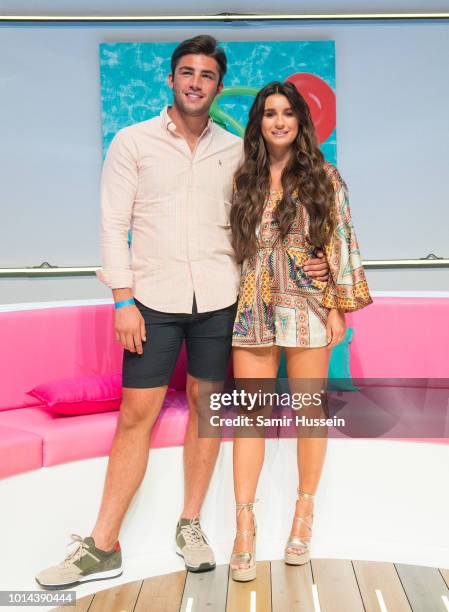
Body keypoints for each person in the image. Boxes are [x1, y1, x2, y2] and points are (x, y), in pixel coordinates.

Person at [35, 38, 329, 589]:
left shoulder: (238, 150)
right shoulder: (132, 142)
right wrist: (122, 299)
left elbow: (282, 211)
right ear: (170, 80)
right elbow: (111, 224)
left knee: (208, 409)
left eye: (208, 75)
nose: (196, 82)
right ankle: (102, 545)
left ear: (219, 87)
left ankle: (190, 524)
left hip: (223, 301)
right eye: (187, 72)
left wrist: (319, 264)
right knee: (134, 416)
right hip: (152, 303)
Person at [228, 81, 372, 581]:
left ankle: (302, 516)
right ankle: (243, 526)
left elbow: (342, 242)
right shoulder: (242, 178)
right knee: (249, 418)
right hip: (252, 307)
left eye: (289, 113)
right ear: (259, 122)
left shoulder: (324, 177)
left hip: (308, 307)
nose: (280, 121)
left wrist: (336, 303)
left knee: (310, 412)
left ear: (300, 121)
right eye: (270, 113)